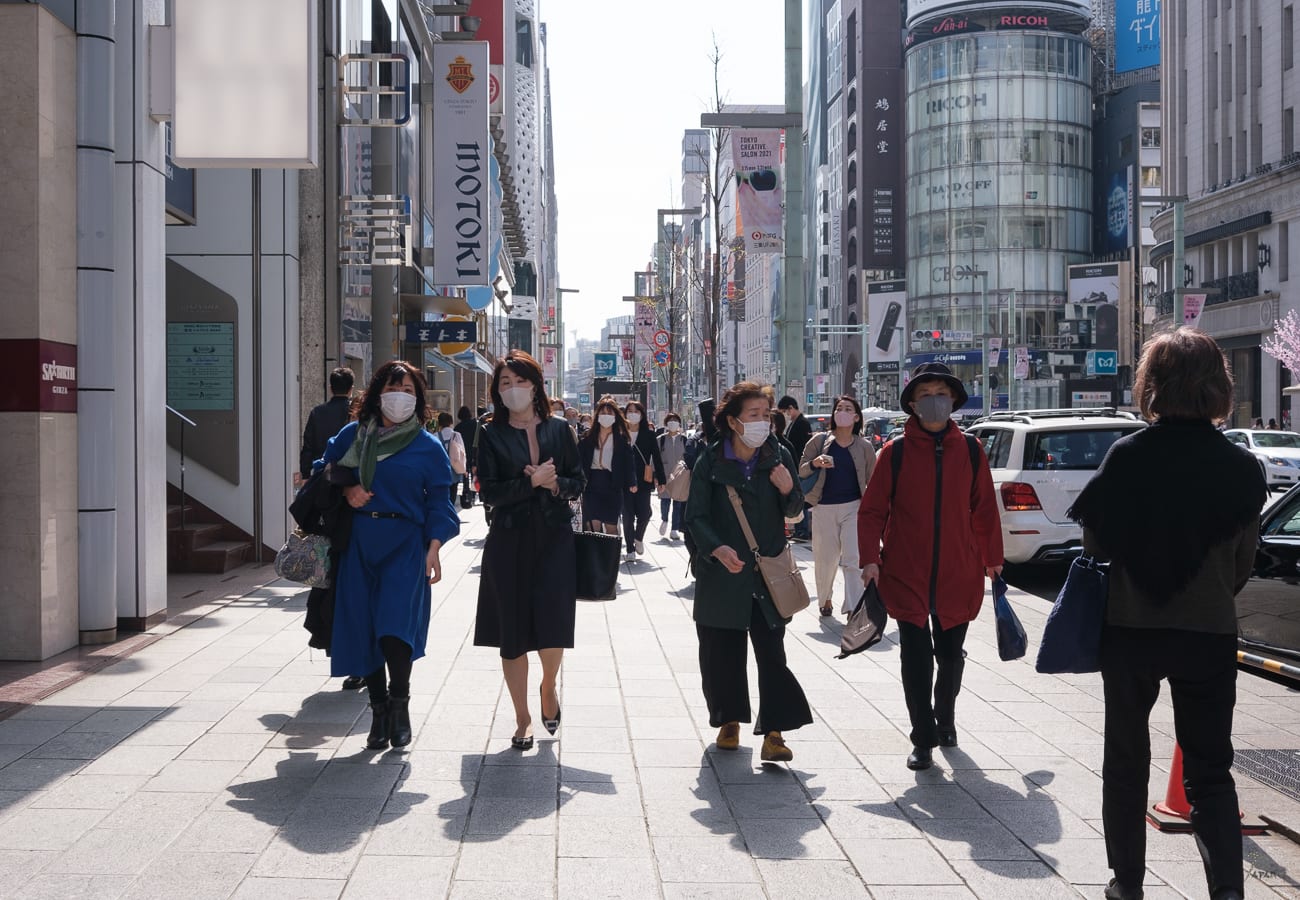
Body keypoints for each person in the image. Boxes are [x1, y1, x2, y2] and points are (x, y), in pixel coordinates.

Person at [1067, 329, 1264, 900]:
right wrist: (1207, 590)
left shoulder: (1127, 457)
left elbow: (1095, 547)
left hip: (1130, 628)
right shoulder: (1240, 468)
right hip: (1207, 631)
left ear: (1152, 386)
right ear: (1218, 388)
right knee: (1210, 768)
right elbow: (1242, 562)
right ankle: (1226, 889)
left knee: (1126, 759)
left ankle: (1127, 883)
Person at [856, 363, 1003, 771]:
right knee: (915, 658)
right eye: (926, 395)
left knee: (951, 656)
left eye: (941, 393)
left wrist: (992, 559)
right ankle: (922, 736)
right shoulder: (895, 453)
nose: (935, 401)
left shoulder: (971, 450)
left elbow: (985, 510)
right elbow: (871, 512)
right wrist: (870, 559)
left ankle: (946, 717)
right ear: (913, 405)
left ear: (954, 401)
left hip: (959, 570)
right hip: (906, 571)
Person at [319, 360, 461, 751]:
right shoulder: (353, 436)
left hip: (405, 543)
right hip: (359, 540)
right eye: (393, 388)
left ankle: (401, 707)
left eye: (409, 390)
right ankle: (378, 711)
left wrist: (434, 548)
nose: (400, 397)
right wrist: (347, 490)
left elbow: (440, 501)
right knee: (365, 626)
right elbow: (323, 470)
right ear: (377, 392)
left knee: (396, 627)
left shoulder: (427, 445)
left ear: (418, 398)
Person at [685, 382, 812, 762]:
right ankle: (729, 720)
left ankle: (774, 732)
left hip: (767, 572)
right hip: (722, 571)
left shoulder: (779, 455)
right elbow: (696, 516)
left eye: (766, 416)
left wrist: (790, 489)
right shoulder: (711, 459)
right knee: (721, 651)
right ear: (733, 421)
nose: (762, 423)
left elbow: (794, 513)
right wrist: (716, 548)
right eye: (753, 415)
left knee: (772, 653)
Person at [474, 351, 587, 750]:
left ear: (536, 385)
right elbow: (487, 492)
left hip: (554, 537)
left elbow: (578, 481)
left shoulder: (560, 430)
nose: (513, 389)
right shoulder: (490, 433)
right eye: (505, 383)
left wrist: (554, 485)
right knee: (512, 631)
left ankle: (548, 687)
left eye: (520, 381)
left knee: (553, 622)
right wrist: (532, 483)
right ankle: (522, 718)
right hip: (508, 540)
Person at [800, 395, 876, 617]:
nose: (842, 411)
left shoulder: (865, 446)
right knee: (825, 559)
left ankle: (854, 606)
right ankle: (825, 599)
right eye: (839, 408)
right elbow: (801, 470)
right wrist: (815, 463)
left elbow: (873, 480)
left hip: (854, 507)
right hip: (823, 507)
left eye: (848, 408)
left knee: (853, 558)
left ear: (856, 417)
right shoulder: (819, 441)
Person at [579, 398, 636, 534]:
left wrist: (632, 482)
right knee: (593, 526)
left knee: (611, 525)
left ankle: (611, 554)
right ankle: (594, 554)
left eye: (609, 413)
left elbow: (629, 463)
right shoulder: (588, 438)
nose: (606, 416)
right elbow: (579, 459)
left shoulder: (621, 440)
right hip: (591, 484)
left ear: (615, 417)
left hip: (612, 485)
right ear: (597, 416)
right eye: (602, 413)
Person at [623, 399, 666, 561]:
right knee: (627, 516)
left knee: (645, 512)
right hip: (625, 480)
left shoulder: (648, 434)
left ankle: (638, 537)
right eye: (629, 411)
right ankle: (629, 549)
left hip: (644, 479)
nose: (632, 414)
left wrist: (661, 480)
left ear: (642, 415)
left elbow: (656, 457)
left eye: (636, 411)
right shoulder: (620, 432)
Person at [298, 367, 355, 488]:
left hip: (322, 475)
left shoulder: (317, 412)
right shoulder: (356, 412)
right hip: (350, 477)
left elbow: (308, 447)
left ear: (330, 388)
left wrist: (305, 475)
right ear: (351, 389)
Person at [778, 396, 813, 541]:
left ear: (791, 408)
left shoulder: (802, 423)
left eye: (785, 411)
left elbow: (802, 447)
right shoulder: (794, 423)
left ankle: (802, 529)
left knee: (801, 497)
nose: (785, 415)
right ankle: (799, 529)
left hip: (799, 466)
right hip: (795, 465)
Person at [656, 412, 693, 540]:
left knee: (677, 502)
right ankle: (664, 519)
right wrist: (656, 475)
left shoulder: (684, 439)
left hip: (680, 475)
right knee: (665, 500)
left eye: (675, 420)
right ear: (666, 423)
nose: (673, 422)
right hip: (664, 474)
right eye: (670, 420)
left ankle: (674, 529)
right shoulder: (660, 439)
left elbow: (688, 456)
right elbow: (655, 459)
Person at [434, 412, 468, 506]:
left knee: (443, 494)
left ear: (439, 423)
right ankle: (452, 510)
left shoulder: (435, 436)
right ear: (451, 422)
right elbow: (462, 453)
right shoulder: (457, 435)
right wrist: (464, 469)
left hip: (440, 470)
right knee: (453, 492)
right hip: (455, 470)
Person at [454, 406, 479, 507]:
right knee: (474, 474)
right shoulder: (475, 425)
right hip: (474, 453)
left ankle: (466, 493)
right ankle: (474, 495)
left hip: (463, 454)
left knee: (465, 475)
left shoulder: (458, 427)